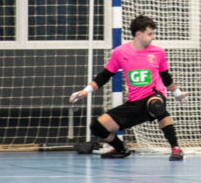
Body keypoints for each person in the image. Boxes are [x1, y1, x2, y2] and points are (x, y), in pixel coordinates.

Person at [68, 15, 189, 160]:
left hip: (153, 95)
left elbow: (165, 77)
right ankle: (121, 149)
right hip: (134, 102)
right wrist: (85, 91)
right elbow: (105, 75)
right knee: (96, 126)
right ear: (138, 34)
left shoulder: (158, 52)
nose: (153, 37)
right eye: (150, 34)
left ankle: (176, 148)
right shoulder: (120, 52)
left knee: (156, 105)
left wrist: (177, 93)